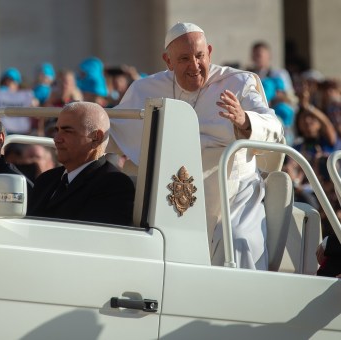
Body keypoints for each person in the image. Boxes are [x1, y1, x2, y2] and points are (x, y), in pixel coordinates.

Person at [110, 22, 284, 270]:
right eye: (183, 59)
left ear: (209, 52)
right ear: (167, 61)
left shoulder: (238, 83)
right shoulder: (145, 89)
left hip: (232, 191)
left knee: (238, 242)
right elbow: (115, 128)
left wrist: (245, 120)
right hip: (172, 192)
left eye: (200, 56)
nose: (194, 66)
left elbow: (274, 126)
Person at [28, 101, 134, 225]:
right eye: (57, 130)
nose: (56, 139)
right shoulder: (46, 180)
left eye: (67, 131)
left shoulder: (114, 185)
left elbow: (93, 239)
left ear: (96, 137)